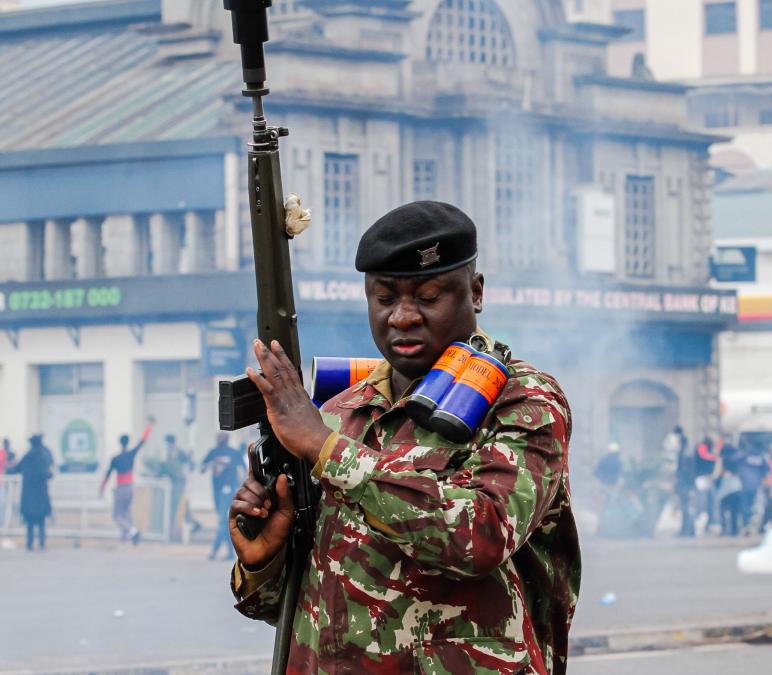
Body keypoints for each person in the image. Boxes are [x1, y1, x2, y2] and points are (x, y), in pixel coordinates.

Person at [228, 202, 579, 672]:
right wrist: (263, 561)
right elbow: (310, 605)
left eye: (429, 296)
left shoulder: (524, 401)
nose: (403, 317)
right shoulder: (339, 411)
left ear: (475, 293)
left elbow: (480, 536)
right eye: (385, 297)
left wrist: (324, 449)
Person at [100, 420, 153, 545]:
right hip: (130, 487)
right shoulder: (131, 455)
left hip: (121, 488)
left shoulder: (115, 459)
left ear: (119, 443)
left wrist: (101, 488)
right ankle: (125, 536)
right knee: (126, 512)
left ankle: (133, 531)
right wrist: (149, 427)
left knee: (117, 515)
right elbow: (142, 441)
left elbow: (107, 474)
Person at [202, 432, 247, 560]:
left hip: (229, 489)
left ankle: (214, 551)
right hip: (217, 490)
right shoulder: (213, 452)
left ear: (226, 440)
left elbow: (243, 470)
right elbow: (202, 467)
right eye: (218, 438)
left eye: (222, 438)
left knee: (222, 520)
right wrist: (211, 465)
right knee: (225, 521)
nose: (219, 440)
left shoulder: (233, 453)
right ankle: (230, 553)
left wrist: (241, 488)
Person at [8, 434, 54, 551]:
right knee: (41, 521)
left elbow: (15, 469)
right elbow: (48, 474)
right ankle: (42, 543)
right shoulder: (44, 456)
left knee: (30, 522)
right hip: (40, 494)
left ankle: (29, 543)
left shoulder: (27, 456)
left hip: (28, 494)